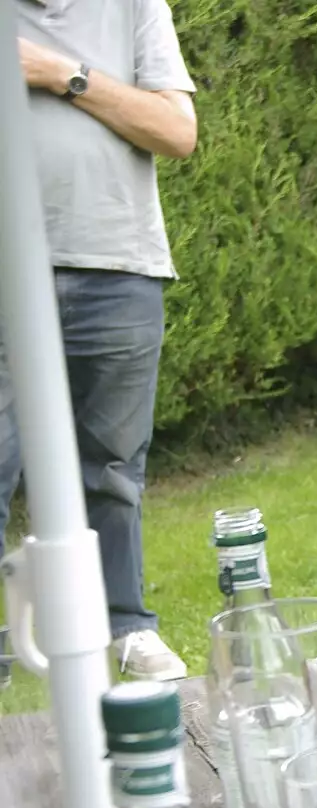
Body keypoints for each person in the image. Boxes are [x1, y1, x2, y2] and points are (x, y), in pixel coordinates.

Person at [2, 0, 197, 680]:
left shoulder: (135, 6)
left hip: (118, 269)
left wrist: (61, 72)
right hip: (4, 272)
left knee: (112, 469)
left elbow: (177, 130)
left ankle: (126, 628)